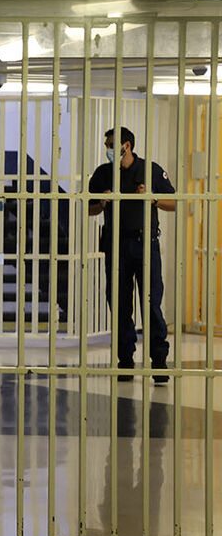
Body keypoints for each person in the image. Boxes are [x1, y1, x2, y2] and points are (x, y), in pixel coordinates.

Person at [87, 126, 176, 384]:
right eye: (107, 145)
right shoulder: (104, 174)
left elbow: (175, 202)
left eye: (112, 144)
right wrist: (101, 202)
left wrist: (153, 200)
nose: (109, 149)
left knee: (151, 303)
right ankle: (125, 361)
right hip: (116, 244)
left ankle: (158, 361)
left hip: (144, 243)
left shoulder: (150, 169)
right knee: (120, 304)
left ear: (128, 145)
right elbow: (88, 209)